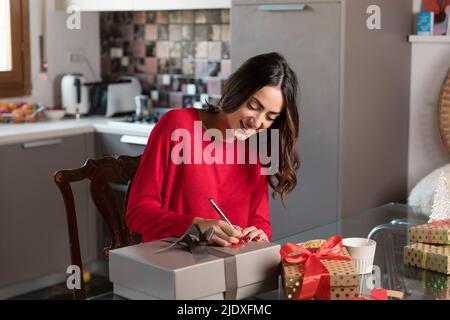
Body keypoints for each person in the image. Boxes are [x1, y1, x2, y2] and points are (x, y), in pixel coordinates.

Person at [126, 52, 300, 246]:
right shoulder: (178, 126)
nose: (257, 122)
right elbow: (137, 213)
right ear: (238, 90)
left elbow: (259, 221)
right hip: (172, 265)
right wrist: (196, 225)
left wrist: (259, 234)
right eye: (253, 105)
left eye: (270, 117)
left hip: (228, 267)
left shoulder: (257, 149)